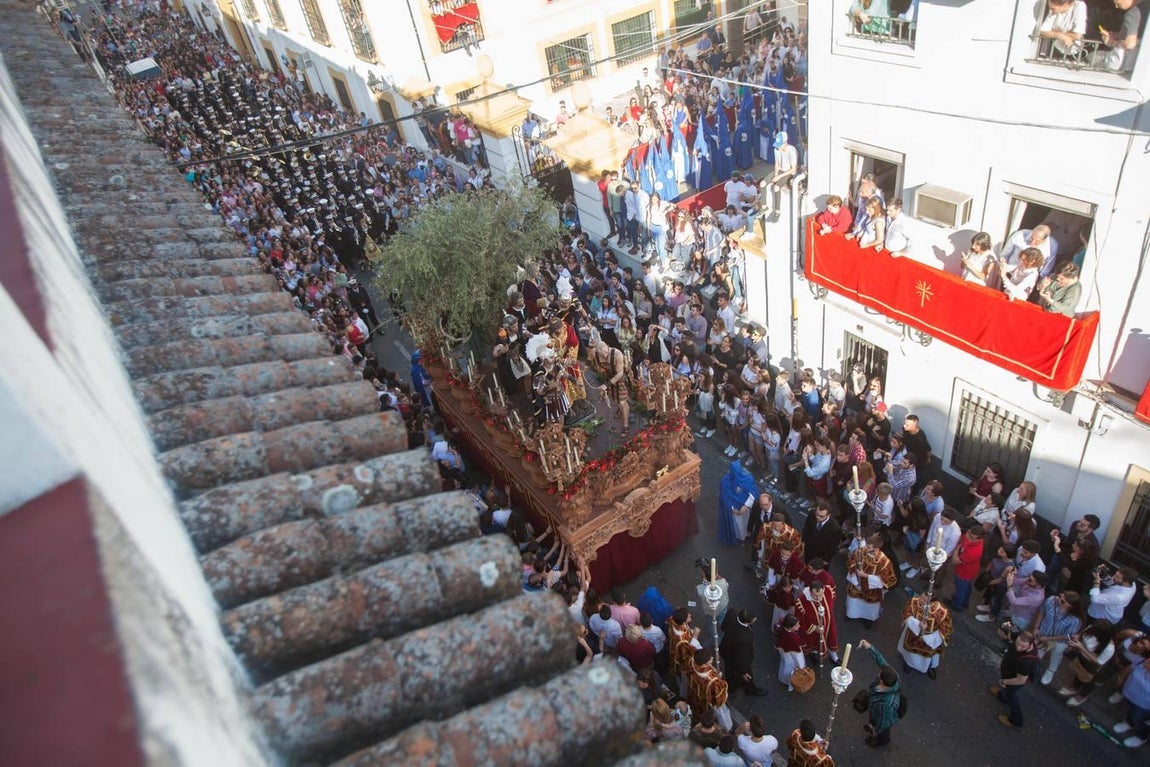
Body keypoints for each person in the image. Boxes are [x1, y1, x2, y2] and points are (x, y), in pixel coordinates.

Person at [990, 629, 1042, 729]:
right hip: (1009, 674)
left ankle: (1016, 720)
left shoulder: (1027, 662)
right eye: (1017, 643)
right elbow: (1009, 636)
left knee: (1012, 697)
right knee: (1007, 692)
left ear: (1030, 645)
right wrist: (1003, 633)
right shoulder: (1019, 636)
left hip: (1013, 681)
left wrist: (1004, 681)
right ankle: (1002, 696)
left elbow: (1020, 680)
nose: (1018, 647)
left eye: (1022, 646)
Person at [845, 534, 898, 628]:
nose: (865, 547)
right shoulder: (860, 551)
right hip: (856, 584)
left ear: (876, 548)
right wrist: (855, 572)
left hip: (871, 590)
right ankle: (851, 614)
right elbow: (851, 562)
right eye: (866, 545)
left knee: (869, 607)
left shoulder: (884, 562)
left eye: (868, 546)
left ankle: (868, 619)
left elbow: (887, 580)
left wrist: (865, 575)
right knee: (853, 602)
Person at [856, 639, 902, 747]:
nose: (879, 671)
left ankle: (879, 740)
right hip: (875, 710)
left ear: (882, 681)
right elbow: (882, 662)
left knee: (882, 733)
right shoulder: (893, 677)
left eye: (880, 674)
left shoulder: (886, 704)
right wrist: (870, 647)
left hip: (879, 717)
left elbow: (883, 722)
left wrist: (875, 730)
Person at [897, 593, 953, 679]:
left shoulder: (942, 612)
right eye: (921, 597)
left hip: (930, 641)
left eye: (924, 600)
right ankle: (909, 664)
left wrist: (929, 639)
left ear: (932, 603)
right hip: (913, 635)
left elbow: (945, 630)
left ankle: (929, 667)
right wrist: (917, 624)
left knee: (928, 658)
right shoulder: (914, 602)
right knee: (911, 655)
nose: (920, 600)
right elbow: (906, 614)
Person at [794, 579, 841, 672]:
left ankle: (833, 655)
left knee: (832, 639)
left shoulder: (828, 591)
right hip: (813, 630)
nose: (818, 597)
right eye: (815, 595)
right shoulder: (801, 602)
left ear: (823, 589)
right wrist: (815, 628)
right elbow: (800, 620)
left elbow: (833, 598)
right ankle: (814, 653)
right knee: (813, 642)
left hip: (829, 624)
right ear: (810, 591)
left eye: (820, 595)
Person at [720, 609, 770, 696]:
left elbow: (723, 626)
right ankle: (751, 690)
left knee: (729, 668)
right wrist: (743, 672)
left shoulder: (732, 613)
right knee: (747, 677)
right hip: (736, 657)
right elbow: (741, 657)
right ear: (748, 622)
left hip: (725, 649)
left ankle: (732, 686)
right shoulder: (745, 638)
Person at [688, 647, 734, 730]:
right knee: (722, 715)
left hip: (698, 695)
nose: (712, 659)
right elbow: (720, 698)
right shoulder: (713, 681)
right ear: (704, 664)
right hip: (711, 700)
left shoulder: (693, 663)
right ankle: (727, 728)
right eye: (710, 660)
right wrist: (719, 679)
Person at [718, 459, 757, 547]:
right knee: (736, 524)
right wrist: (732, 508)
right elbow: (724, 497)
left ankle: (746, 534)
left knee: (746, 522)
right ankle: (737, 535)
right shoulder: (725, 482)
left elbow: (753, 493)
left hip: (745, 508)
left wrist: (746, 506)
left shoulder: (748, 479)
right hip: (734, 509)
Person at [1113, 656, 1150, 748]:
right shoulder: (1140, 661)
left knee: (1139, 719)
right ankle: (1129, 724)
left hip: (1144, 704)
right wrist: (1121, 680)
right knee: (1128, 710)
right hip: (1129, 694)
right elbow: (1129, 669)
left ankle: (1141, 736)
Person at [949, 524, 986, 613]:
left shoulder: (974, 551)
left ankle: (957, 605)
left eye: (972, 537)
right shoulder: (972, 540)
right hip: (968, 570)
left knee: (960, 588)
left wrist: (957, 549)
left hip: (965, 572)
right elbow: (964, 538)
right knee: (966, 586)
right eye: (969, 534)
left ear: (979, 539)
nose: (968, 538)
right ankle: (965, 602)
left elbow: (954, 561)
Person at [802, 500, 843, 566]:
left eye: (821, 516)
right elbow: (806, 528)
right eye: (817, 514)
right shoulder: (812, 514)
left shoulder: (835, 528)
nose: (817, 517)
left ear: (828, 515)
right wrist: (803, 541)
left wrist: (826, 559)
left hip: (821, 556)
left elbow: (833, 546)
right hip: (809, 549)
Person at [775, 614, 809, 691]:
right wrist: (800, 667)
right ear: (790, 627)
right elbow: (796, 656)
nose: (799, 626)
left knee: (785, 664)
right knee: (791, 668)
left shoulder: (782, 629)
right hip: (791, 655)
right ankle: (790, 681)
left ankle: (783, 678)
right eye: (796, 625)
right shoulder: (792, 639)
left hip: (784, 652)